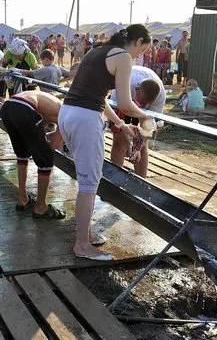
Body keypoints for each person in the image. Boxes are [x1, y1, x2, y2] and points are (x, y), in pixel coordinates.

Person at [59, 24, 151, 261]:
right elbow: (127, 103)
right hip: (85, 118)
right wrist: (147, 117)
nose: (138, 56)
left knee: (86, 178)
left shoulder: (99, 51)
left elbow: (101, 98)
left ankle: (85, 233)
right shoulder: (122, 57)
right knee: (89, 183)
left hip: (68, 113)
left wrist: (120, 125)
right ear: (138, 41)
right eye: (141, 51)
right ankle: (82, 245)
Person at [0, 90, 66, 219]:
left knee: (22, 154)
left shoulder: (54, 106)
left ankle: (23, 199)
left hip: (8, 106)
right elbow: (52, 145)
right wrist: (43, 152)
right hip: (24, 107)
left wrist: (39, 145)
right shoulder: (66, 116)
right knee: (45, 159)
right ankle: (41, 207)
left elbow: (39, 133)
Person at [109, 66, 165, 178]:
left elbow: (148, 129)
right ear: (136, 90)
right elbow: (116, 124)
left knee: (142, 144)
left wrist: (137, 147)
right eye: (142, 102)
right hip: (124, 101)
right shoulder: (123, 85)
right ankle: (114, 179)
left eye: (147, 104)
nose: (143, 106)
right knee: (119, 141)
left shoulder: (160, 96)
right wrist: (127, 143)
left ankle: (141, 182)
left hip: (143, 94)